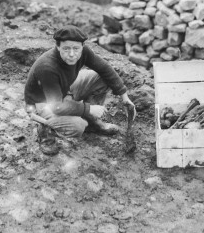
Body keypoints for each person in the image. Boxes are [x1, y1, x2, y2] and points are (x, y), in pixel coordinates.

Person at [24, 25, 136, 155]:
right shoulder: (47, 68)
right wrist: (89, 108)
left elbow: (105, 69)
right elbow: (56, 106)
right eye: (66, 49)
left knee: (101, 78)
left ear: (82, 46)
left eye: (76, 49)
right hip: (44, 103)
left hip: (64, 90)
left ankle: (93, 122)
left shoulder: (84, 52)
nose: (72, 54)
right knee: (77, 126)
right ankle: (45, 131)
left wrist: (124, 96)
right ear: (58, 46)